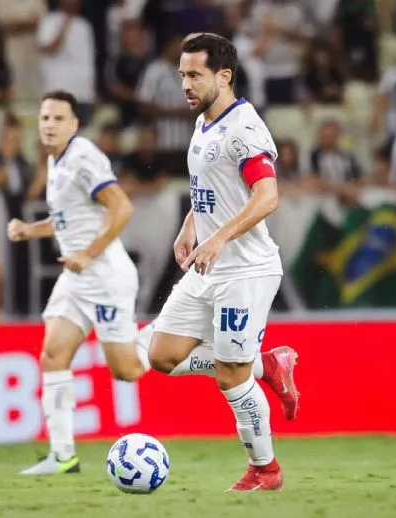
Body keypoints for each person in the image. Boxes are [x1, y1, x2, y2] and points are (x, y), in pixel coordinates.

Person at [146, 33, 298, 492]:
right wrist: (191, 225)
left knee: (229, 379)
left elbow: (267, 196)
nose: (186, 85)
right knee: (162, 356)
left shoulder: (244, 130)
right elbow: (212, 187)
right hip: (209, 262)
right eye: (183, 75)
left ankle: (265, 469)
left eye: (195, 75)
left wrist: (218, 238)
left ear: (224, 77)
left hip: (245, 271)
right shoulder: (205, 122)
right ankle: (267, 364)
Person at [7, 90, 153, 476]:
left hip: (104, 276)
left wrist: (89, 253)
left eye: (58, 118)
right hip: (76, 280)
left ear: (74, 124)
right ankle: (63, 455)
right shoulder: (57, 163)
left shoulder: (84, 157)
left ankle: (173, 329)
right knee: (53, 354)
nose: (50, 125)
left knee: (127, 371)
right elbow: (68, 218)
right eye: (45, 118)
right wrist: (29, 230)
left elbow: (122, 207)